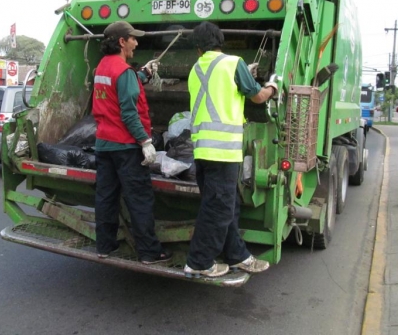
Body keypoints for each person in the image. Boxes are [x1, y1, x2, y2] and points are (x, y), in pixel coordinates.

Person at [184, 21, 277, 278]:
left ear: (198, 48)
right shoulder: (232, 63)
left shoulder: (195, 69)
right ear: (221, 41)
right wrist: (272, 87)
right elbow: (257, 97)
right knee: (218, 209)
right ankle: (199, 262)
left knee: (228, 205)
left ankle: (238, 256)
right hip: (223, 151)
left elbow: (216, 88)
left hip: (202, 151)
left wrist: (243, 72)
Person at [92, 21, 172, 265]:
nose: (137, 43)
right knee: (139, 199)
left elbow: (117, 90)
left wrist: (143, 74)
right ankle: (149, 252)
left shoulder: (102, 68)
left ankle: (105, 246)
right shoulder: (123, 71)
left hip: (104, 143)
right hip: (126, 147)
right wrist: (145, 141)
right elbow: (128, 112)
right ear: (121, 42)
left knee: (106, 197)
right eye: (133, 38)